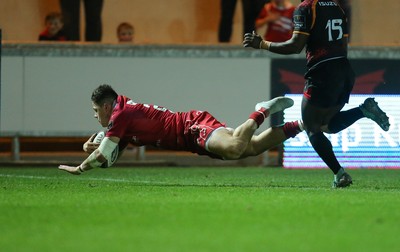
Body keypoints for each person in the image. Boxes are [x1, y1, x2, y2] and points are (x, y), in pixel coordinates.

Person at [243, 0, 390, 188]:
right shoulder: (337, 7)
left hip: (322, 74)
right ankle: (363, 111)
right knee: (326, 124)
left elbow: (295, 46)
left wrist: (262, 44)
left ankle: (340, 174)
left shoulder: (306, 7)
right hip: (344, 71)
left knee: (312, 126)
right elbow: (343, 42)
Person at [59, 84, 304, 175]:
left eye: (95, 110)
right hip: (189, 139)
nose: (95, 116)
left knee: (234, 149)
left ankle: (261, 110)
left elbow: (102, 156)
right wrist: (93, 149)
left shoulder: (120, 114)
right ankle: (302, 123)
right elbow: (109, 160)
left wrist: (81, 166)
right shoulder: (122, 117)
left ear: (106, 106)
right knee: (250, 149)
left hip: (190, 127)